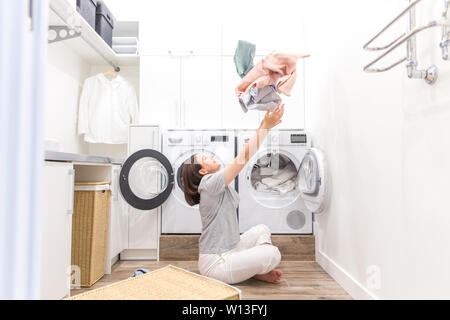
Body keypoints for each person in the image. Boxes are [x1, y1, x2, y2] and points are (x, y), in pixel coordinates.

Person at [181, 104, 285, 285]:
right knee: (272, 254)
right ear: (203, 172)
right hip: (216, 263)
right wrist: (265, 128)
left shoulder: (217, 183)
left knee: (262, 229)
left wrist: (263, 125)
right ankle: (256, 267)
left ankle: (252, 269)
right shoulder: (209, 184)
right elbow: (244, 156)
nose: (211, 156)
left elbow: (243, 156)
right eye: (206, 159)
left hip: (231, 249)